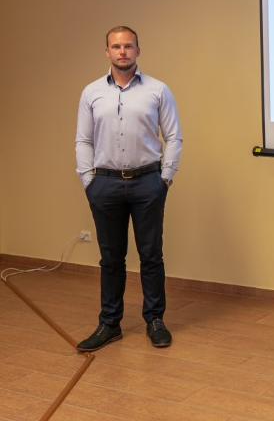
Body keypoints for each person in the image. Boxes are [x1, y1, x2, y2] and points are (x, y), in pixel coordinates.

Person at [74, 26, 182, 351]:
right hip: (105, 184)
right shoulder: (92, 92)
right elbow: (83, 140)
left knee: (151, 255)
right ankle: (110, 324)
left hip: (148, 182)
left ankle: (155, 320)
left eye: (128, 46)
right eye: (116, 46)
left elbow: (173, 136)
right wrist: (88, 180)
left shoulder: (158, 90)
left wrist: (165, 178)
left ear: (138, 50)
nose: (122, 52)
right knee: (111, 258)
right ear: (107, 51)